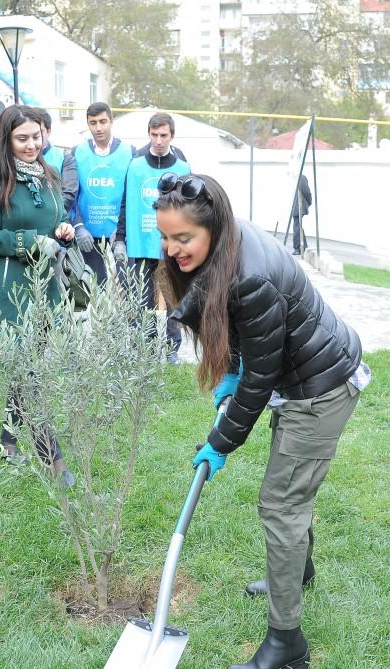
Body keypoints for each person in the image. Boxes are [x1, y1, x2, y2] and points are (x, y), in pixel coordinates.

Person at [154, 172, 370, 669]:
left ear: (210, 226)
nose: (171, 249)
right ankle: (298, 571)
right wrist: (230, 371)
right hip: (307, 371)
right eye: (165, 237)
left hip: (320, 388)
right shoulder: (227, 242)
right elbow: (235, 329)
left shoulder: (249, 274)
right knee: (292, 494)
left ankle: (286, 645)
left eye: (182, 238)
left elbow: (261, 382)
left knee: (280, 503)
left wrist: (219, 443)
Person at [0, 104, 76, 488]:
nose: (32, 144)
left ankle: (8, 440)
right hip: (9, 290)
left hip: (44, 286)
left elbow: (54, 216)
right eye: (23, 138)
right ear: (6, 138)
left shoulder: (46, 173)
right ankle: (55, 460)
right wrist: (30, 241)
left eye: (37, 136)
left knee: (28, 370)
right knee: (28, 373)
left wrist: (61, 227)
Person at [114, 112, 190, 364]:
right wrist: (121, 238)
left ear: (172, 136)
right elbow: (126, 202)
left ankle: (171, 350)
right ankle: (145, 348)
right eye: (154, 135)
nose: (158, 140)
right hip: (140, 243)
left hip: (171, 245)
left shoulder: (182, 168)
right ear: (149, 134)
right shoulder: (135, 166)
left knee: (171, 298)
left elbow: (192, 209)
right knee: (142, 299)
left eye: (163, 135)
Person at [72, 101, 136, 284]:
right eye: (93, 123)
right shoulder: (77, 153)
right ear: (88, 124)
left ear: (111, 121)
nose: (98, 127)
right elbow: (71, 195)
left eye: (103, 121)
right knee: (94, 288)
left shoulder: (130, 152)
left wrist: (123, 230)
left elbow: (132, 196)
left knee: (129, 286)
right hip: (88, 234)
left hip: (119, 232)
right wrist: (78, 227)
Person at [37, 107, 79, 214]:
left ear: (48, 131)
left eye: (39, 132)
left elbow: (69, 194)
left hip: (58, 220)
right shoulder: (16, 156)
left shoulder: (64, 157)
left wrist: (44, 215)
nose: (35, 137)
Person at [292, 173, 312, 256]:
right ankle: (303, 246)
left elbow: (306, 192)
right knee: (298, 226)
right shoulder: (297, 178)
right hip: (296, 206)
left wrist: (309, 202)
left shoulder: (301, 178)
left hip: (299, 206)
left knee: (297, 226)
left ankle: (298, 247)